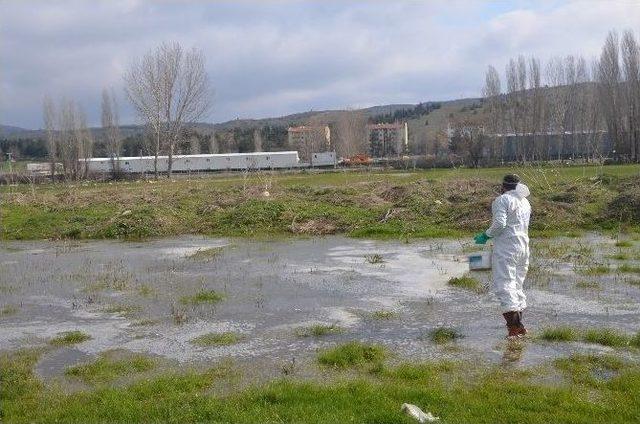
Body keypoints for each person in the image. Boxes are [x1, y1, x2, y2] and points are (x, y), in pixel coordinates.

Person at [474, 174, 531, 339]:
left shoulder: (502, 200)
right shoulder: (525, 201)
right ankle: (520, 327)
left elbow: (500, 223)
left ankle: (514, 328)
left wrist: (485, 235)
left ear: (503, 186)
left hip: (507, 249)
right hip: (523, 248)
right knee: (517, 286)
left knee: (505, 286)